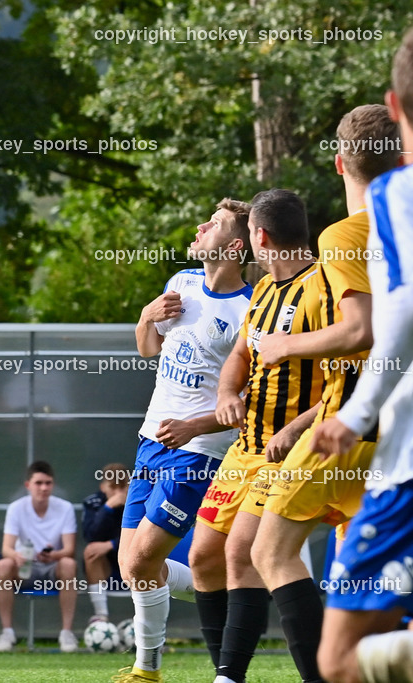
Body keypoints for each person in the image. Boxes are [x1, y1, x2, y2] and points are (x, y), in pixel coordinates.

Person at [249, 104, 400, 683]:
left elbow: (360, 330)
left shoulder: (344, 235)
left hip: (354, 426)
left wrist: (287, 347)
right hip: (390, 429)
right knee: (366, 575)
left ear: (338, 163)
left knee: (270, 551)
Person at [113, 199, 254, 683]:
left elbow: (247, 402)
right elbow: (150, 349)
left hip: (197, 451)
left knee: (141, 560)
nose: (200, 226)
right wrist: (144, 318)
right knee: (129, 565)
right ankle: (230, 583)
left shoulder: (249, 309)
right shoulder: (181, 283)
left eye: (212, 224)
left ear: (235, 246)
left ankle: (145, 669)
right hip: (151, 439)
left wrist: (195, 426)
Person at [191, 189, 326, 683]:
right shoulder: (264, 289)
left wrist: (295, 429)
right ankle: (226, 672)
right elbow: (240, 357)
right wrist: (228, 393)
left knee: (246, 552)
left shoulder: (322, 289)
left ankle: (235, 676)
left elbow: (346, 380)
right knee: (204, 555)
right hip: (245, 447)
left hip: (287, 451)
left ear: (260, 236)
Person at [311, 27, 413, 683]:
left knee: (342, 658)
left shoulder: (394, 198)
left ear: (396, 104)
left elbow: (394, 315)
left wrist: (355, 412)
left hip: (404, 460)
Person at [0, 460, 79, 654]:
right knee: (4, 564)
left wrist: (53, 555)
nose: (44, 488)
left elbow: (70, 549)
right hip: (24, 569)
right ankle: (7, 633)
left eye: (48, 483)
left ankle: (66, 633)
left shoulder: (65, 508)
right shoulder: (16, 508)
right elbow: (6, 548)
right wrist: (17, 555)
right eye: (39, 483)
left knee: (68, 564)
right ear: (28, 485)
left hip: (52, 568)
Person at [82, 462, 131, 623]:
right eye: (113, 487)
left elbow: (143, 536)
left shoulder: (138, 502)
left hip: (131, 561)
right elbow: (91, 535)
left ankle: (144, 620)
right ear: (103, 486)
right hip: (106, 566)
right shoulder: (93, 502)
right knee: (90, 552)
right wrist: (108, 508)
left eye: (122, 487)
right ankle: (101, 615)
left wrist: (111, 544)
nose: (118, 493)